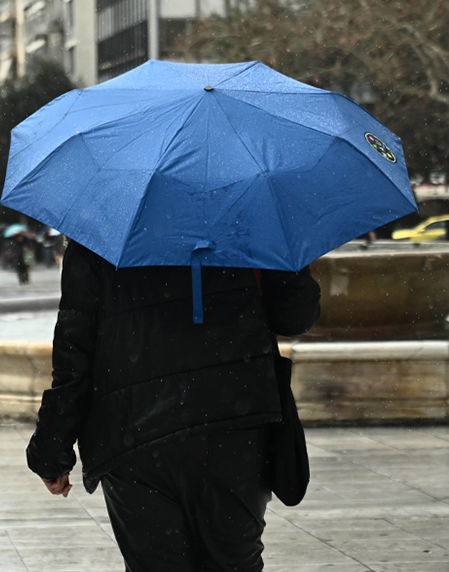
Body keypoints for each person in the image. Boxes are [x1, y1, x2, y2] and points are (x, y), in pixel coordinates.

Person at [26, 242, 321, 572]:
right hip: (233, 423)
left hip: (134, 435)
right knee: (234, 563)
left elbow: (74, 357)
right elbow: (295, 317)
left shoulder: (100, 234)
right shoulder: (249, 223)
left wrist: (51, 450)